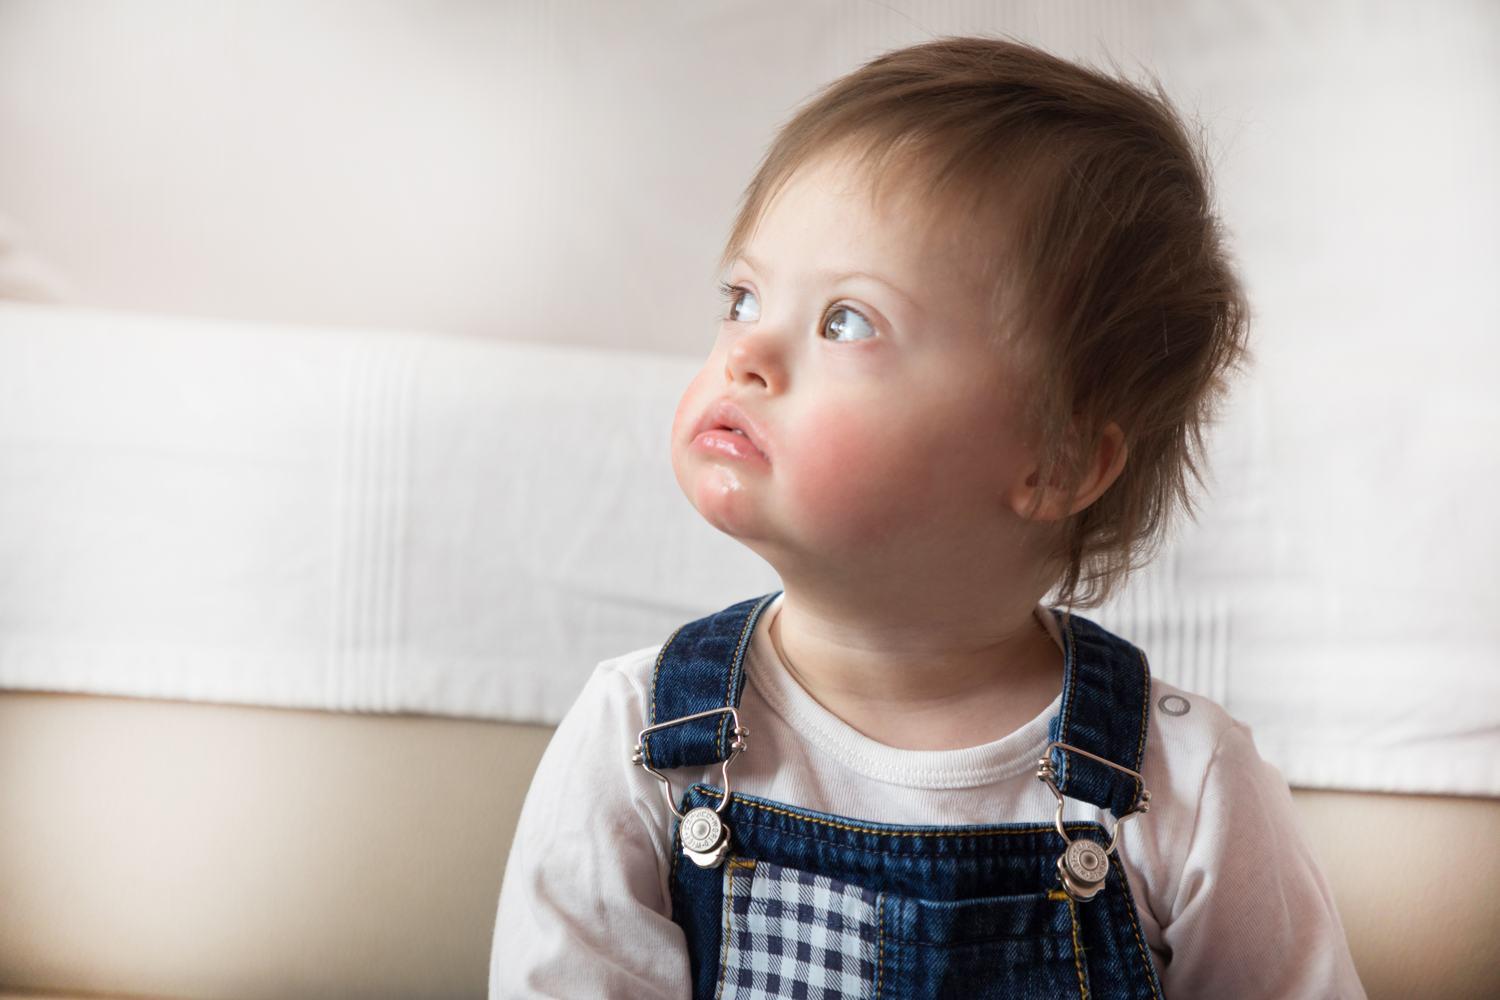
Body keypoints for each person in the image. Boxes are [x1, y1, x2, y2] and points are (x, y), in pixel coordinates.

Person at [491, 34, 1365, 999]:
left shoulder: (1183, 785)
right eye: (743, 298)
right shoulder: (645, 742)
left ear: (1055, 464)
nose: (746, 354)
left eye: (847, 321)